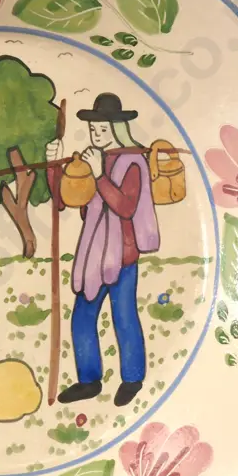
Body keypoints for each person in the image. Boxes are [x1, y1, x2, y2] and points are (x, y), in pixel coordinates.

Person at [47, 93, 160, 406]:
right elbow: (67, 199)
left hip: (123, 255)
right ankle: (89, 380)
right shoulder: (93, 160)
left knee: (123, 316)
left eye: (102, 127)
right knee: (83, 317)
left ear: (117, 127)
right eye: (93, 127)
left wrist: (99, 175)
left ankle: (132, 378)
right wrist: (54, 168)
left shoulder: (133, 161)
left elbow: (126, 207)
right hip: (94, 254)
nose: (96, 133)